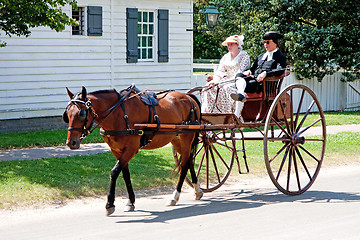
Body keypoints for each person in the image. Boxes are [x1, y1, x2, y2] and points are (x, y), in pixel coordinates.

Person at [201, 35, 250, 119]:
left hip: (237, 81)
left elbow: (240, 73)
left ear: (237, 45)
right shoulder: (225, 57)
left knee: (225, 88)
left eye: (231, 44)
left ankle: (228, 115)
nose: (229, 47)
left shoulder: (244, 56)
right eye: (228, 45)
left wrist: (221, 83)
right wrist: (215, 81)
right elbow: (220, 71)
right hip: (225, 79)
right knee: (207, 88)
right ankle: (209, 114)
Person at [231, 31, 287, 105]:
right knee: (239, 76)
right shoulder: (261, 56)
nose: (265, 45)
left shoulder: (280, 57)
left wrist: (266, 73)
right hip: (254, 80)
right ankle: (241, 94)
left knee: (245, 83)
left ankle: (240, 95)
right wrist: (249, 71)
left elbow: (280, 70)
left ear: (275, 43)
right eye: (264, 42)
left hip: (264, 84)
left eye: (267, 42)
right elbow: (253, 68)